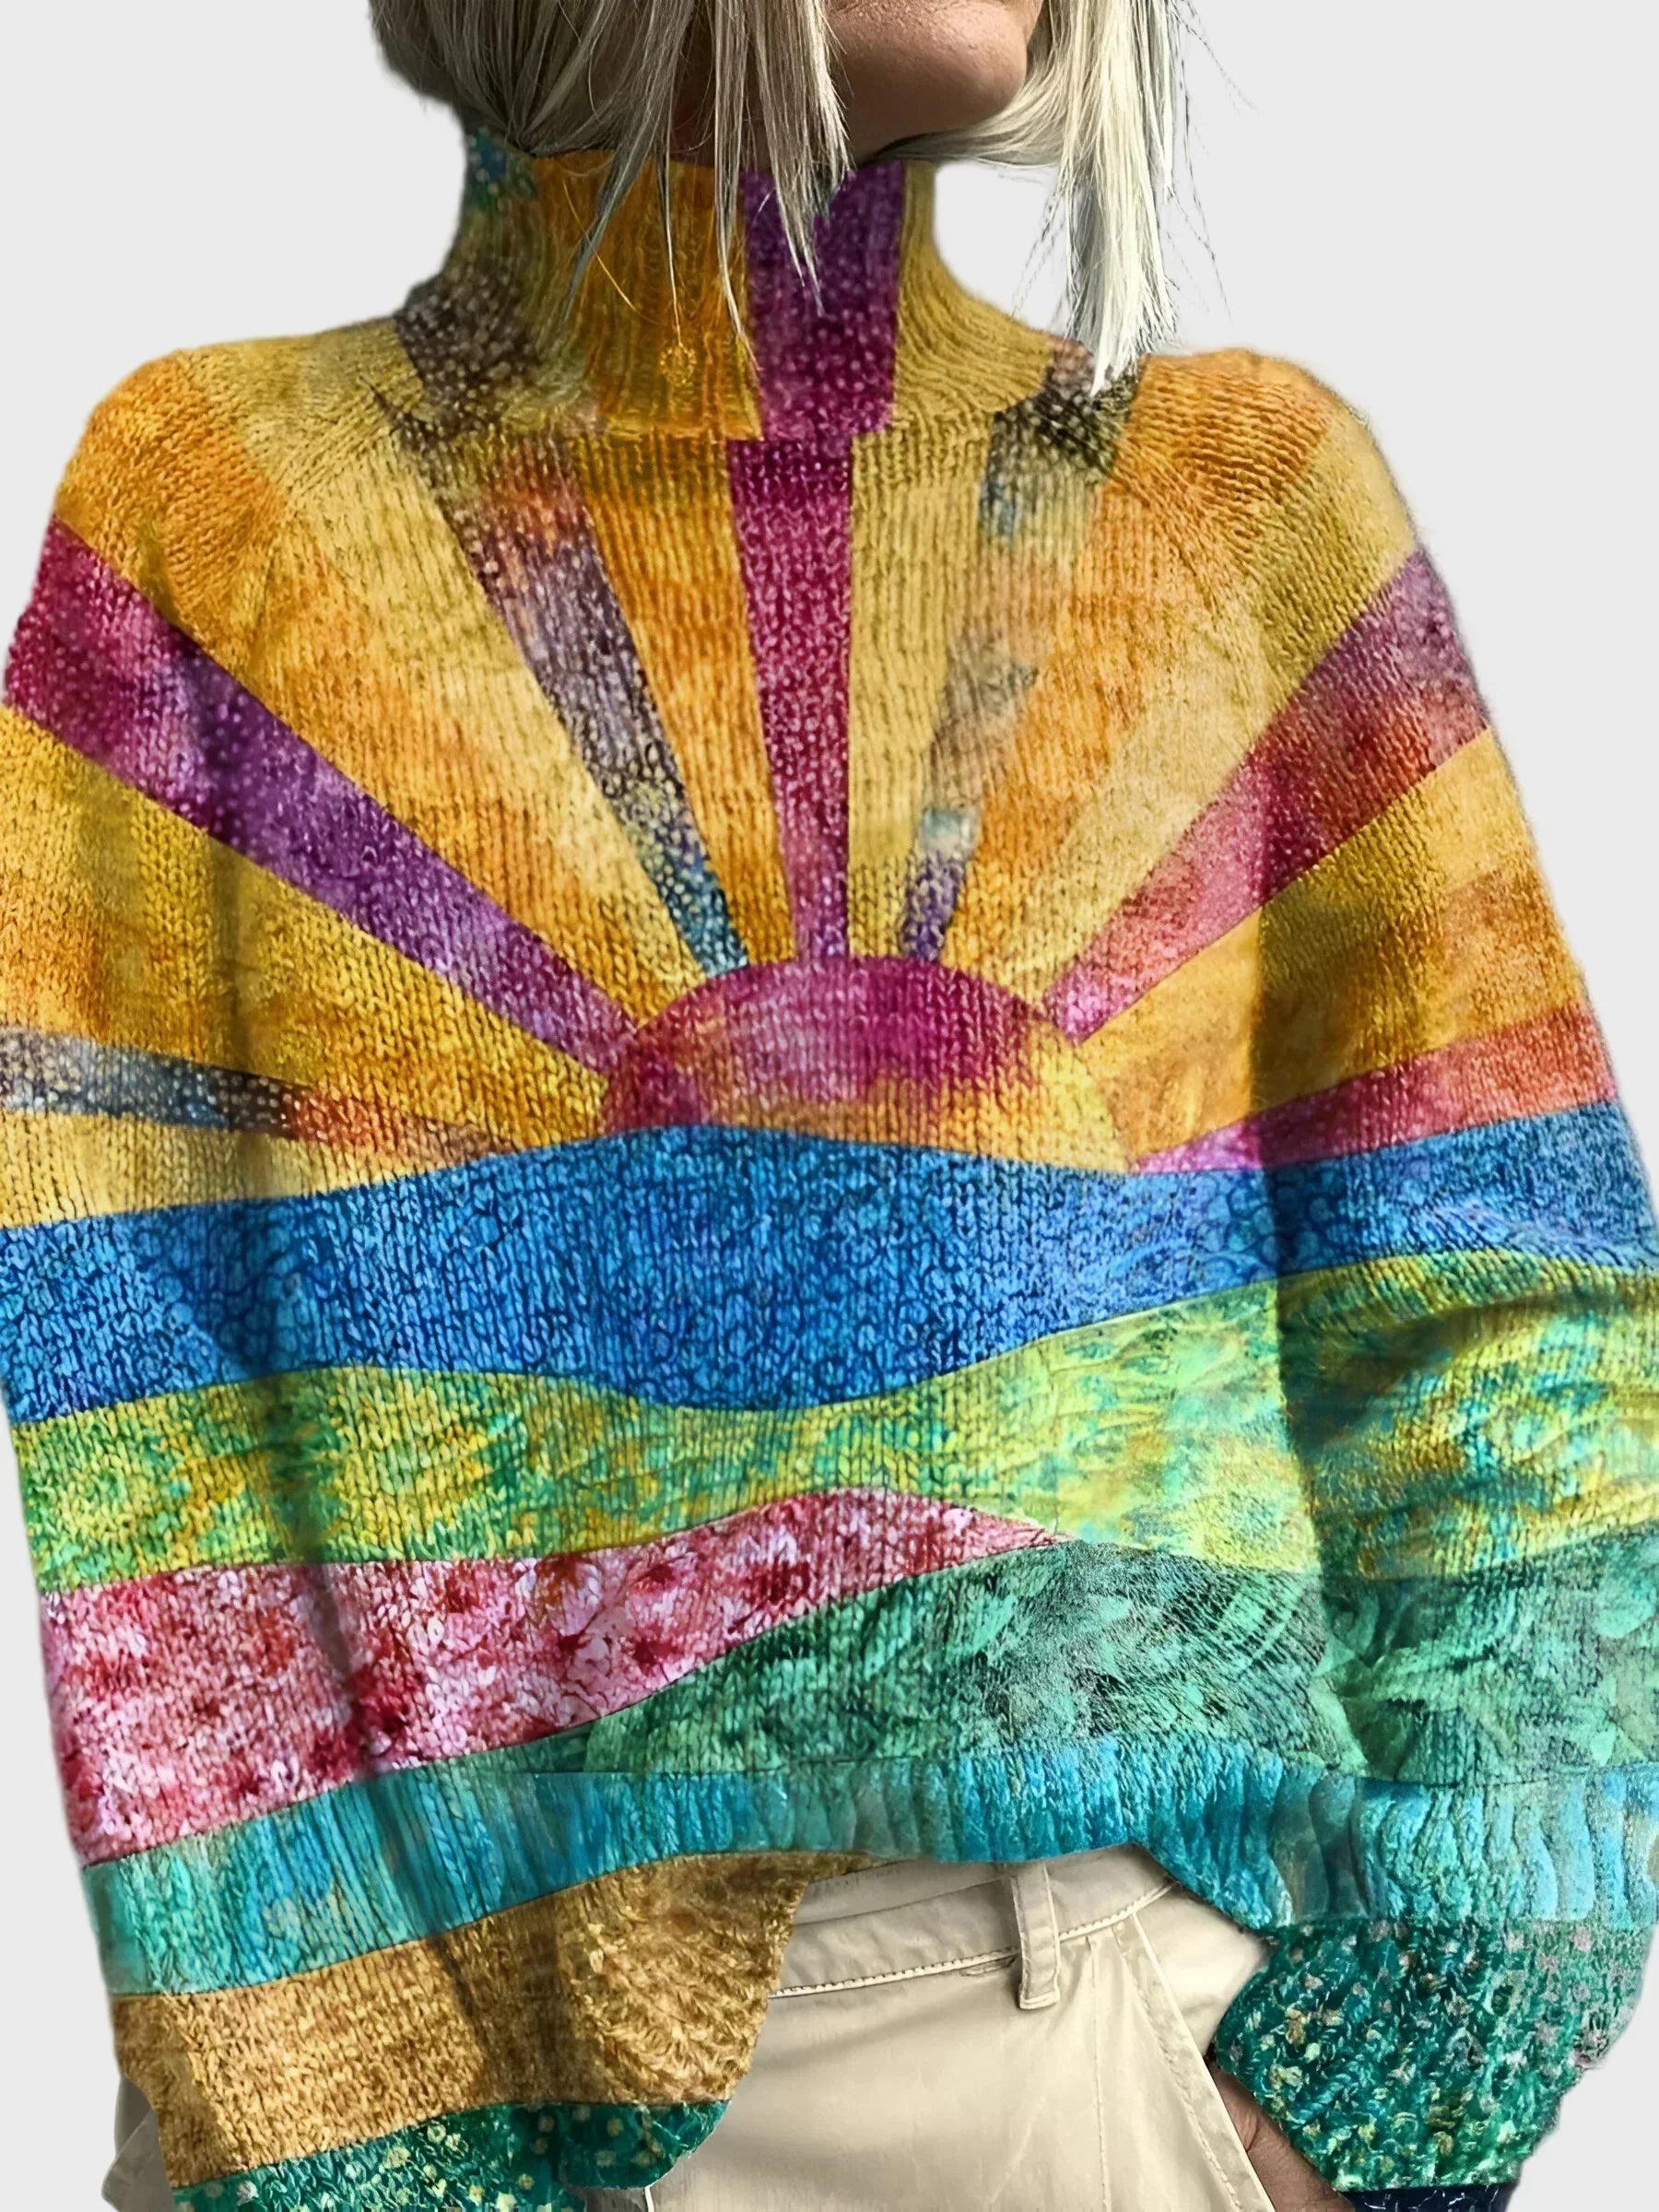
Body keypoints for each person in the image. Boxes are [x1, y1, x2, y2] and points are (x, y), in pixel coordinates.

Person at [0, 3, 1653, 2208]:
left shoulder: (1240, 502)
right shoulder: (221, 504)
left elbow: (1507, 1323)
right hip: (386, 2069)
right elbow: (141, 1411)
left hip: (1076, 2041)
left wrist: (1413, 2041)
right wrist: (327, 2138)